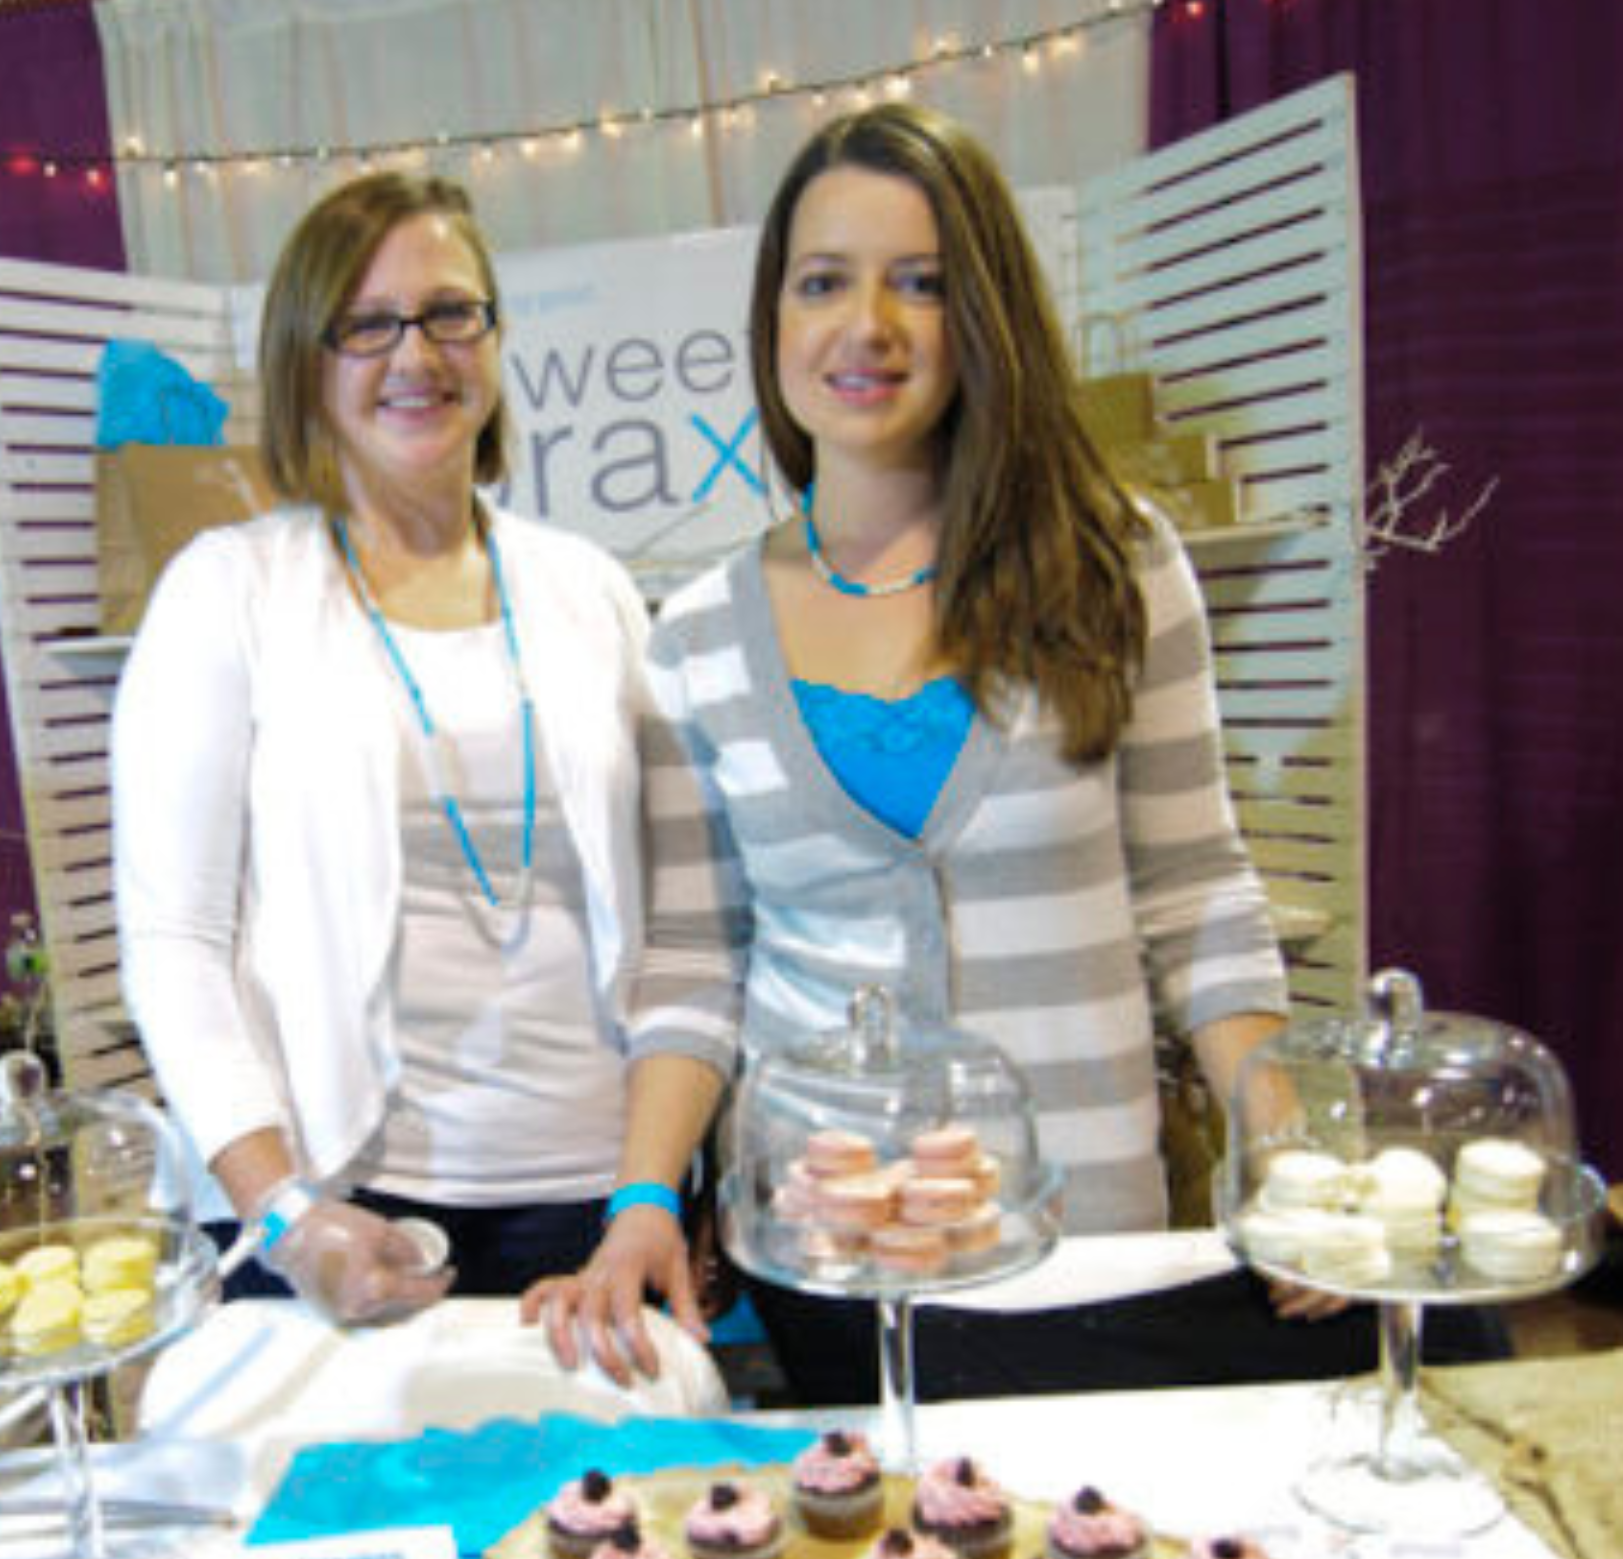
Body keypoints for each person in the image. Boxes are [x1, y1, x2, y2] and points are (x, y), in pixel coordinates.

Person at [527, 102, 1390, 1400]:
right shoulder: (697, 636)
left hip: (1088, 1235)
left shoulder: (1115, 565)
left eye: (919, 284)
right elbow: (699, 964)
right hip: (829, 1248)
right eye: (823, 282)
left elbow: (1198, 894)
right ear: (774, 319)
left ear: (980, 317)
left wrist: (1281, 1135)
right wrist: (646, 1197)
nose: (864, 325)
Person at [113, 171, 668, 1326]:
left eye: (449, 313)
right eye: (366, 325)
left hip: (590, 1197)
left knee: (608, 1507)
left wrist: (661, 1184)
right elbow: (175, 943)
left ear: (496, 339)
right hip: (337, 1197)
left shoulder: (590, 590)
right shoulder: (228, 592)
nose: (415, 355)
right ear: (305, 365)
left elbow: (670, 914)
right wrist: (279, 1210)